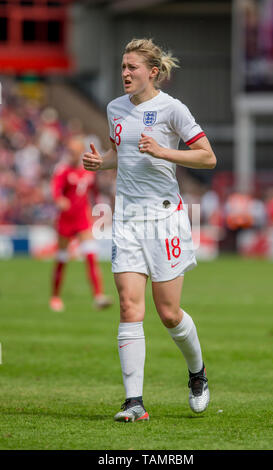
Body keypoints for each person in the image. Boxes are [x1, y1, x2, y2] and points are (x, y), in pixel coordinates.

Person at [83, 38, 217, 422]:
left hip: (164, 219)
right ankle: (134, 402)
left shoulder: (172, 109)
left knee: (169, 313)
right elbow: (119, 153)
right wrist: (101, 162)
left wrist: (164, 152)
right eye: (123, 67)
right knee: (128, 306)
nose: (125, 73)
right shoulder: (115, 109)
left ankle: (197, 373)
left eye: (132, 68)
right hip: (125, 218)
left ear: (152, 72)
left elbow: (207, 156)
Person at [50, 134, 113, 312]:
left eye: (74, 150)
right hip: (65, 221)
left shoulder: (88, 171)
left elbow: (95, 193)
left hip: (82, 220)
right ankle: (55, 296)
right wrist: (60, 200)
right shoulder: (63, 170)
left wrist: (99, 209)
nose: (72, 153)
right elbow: (55, 190)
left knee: (91, 256)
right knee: (62, 259)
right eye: (70, 150)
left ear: (80, 151)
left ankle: (98, 296)